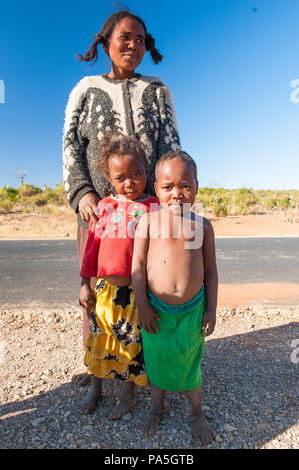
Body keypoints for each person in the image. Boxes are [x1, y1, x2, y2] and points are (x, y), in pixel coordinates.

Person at [62, 10, 180, 386]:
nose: (133, 45)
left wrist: (168, 203)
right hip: (99, 213)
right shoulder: (84, 88)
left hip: (149, 215)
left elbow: (171, 148)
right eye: (125, 37)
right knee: (98, 293)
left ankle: (146, 369)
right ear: (106, 41)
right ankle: (96, 366)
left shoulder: (158, 90)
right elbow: (69, 147)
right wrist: (83, 194)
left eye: (141, 39)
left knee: (148, 292)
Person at [132, 151, 218, 446]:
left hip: (194, 309)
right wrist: (142, 304)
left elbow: (210, 271)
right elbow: (138, 268)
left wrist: (212, 310)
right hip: (155, 309)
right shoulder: (148, 223)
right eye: (168, 187)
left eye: (185, 185)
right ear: (156, 189)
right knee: (157, 360)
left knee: (190, 360)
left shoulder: (201, 225)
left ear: (196, 186)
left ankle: (196, 412)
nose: (177, 194)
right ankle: (157, 407)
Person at [79, 133, 159, 416]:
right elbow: (92, 249)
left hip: (138, 294)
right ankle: (96, 389)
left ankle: (128, 395)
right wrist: (84, 285)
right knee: (99, 340)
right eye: (120, 178)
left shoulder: (155, 208)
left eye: (136, 174)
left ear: (147, 172)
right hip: (104, 291)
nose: (129, 183)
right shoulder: (105, 208)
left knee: (132, 344)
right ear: (109, 178)